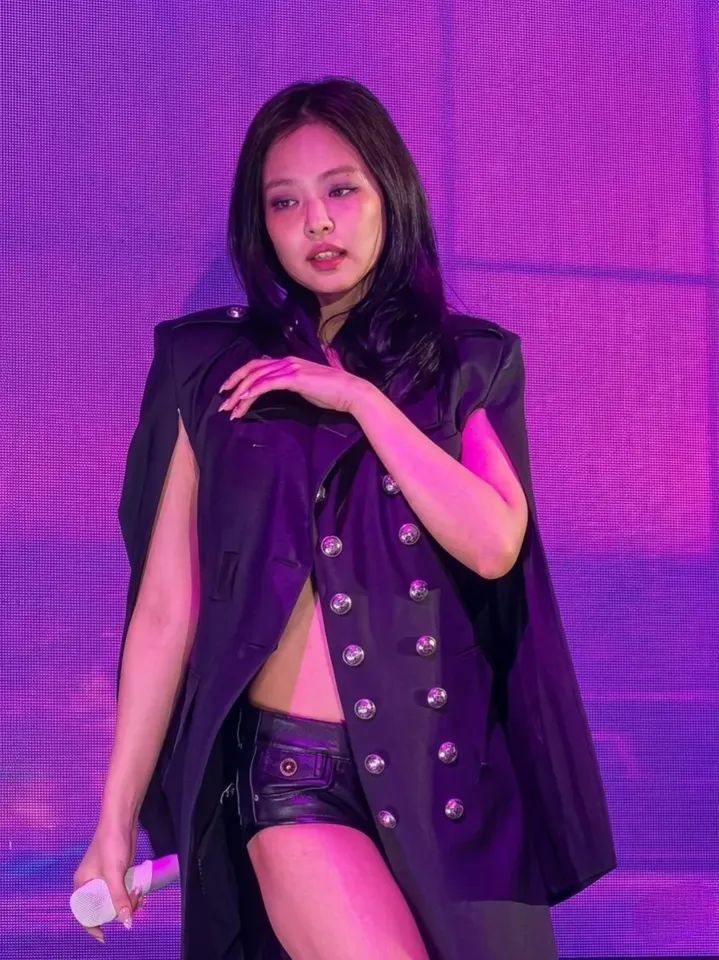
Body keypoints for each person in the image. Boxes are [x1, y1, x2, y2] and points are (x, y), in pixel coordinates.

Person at [73, 77, 616, 959]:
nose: (316, 222)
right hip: (294, 778)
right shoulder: (209, 367)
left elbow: (492, 543)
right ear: (260, 224)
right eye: (284, 202)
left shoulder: (465, 362)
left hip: (449, 784)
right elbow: (168, 609)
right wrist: (114, 819)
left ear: (389, 193)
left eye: (340, 189)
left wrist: (360, 399)